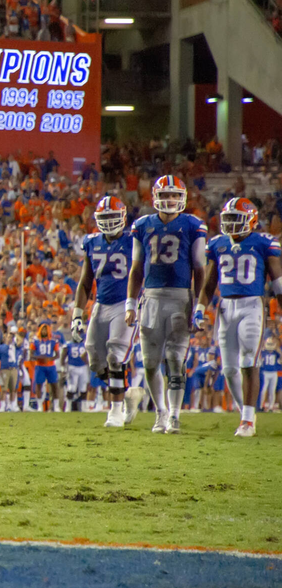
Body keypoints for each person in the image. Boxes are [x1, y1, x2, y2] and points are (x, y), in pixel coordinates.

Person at [126, 175, 207, 434]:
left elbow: (200, 269)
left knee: (175, 359)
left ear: (182, 197)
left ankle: (174, 415)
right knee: (150, 362)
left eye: (174, 195)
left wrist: (199, 305)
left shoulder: (193, 225)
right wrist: (130, 303)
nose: (170, 199)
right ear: (155, 197)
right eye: (165, 195)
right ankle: (160, 412)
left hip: (181, 297)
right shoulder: (142, 225)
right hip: (150, 297)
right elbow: (136, 268)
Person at [198, 197, 282, 438]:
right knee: (228, 369)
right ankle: (246, 411)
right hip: (225, 307)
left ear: (252, 220)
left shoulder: (263, 242)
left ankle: (247, 420)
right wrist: (200, 309)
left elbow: (277, 280)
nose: (232, 223)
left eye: (237, 218)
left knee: (248, 361)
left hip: (252, 305)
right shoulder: (217, 243)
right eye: (229, 218)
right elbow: (209, 283)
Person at [73, 195, 136, 427]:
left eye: (113, 216)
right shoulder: (91, 242)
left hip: (124, 303)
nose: (109, 222)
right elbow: (85, 282)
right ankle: (127, 394)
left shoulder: (133, 240)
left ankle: (115, 411)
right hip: (100, 304)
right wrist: (77, 315)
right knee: (94, 360)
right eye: (105, 217)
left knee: (115, 357)